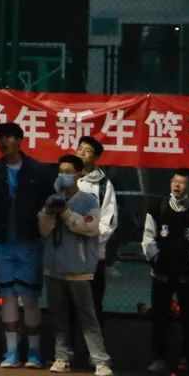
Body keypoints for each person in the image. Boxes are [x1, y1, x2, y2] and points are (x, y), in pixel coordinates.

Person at [0, 121, 55, 368]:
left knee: (30, 299)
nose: (3, 142)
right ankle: (11, 352)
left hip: (30, 243)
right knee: (8, 298)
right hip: (2, 243)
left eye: (8, 137)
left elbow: (48, 205)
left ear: (19, 140)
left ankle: (34, 352)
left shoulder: (38, 171)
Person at [39, 155, 113, 376]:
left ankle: (101, 361)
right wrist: (49, 212)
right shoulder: (52, 199)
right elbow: (43, 230)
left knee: (88, 317)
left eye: (68, 171)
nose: (64, 175)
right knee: (59, 316)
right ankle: (62, 357)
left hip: (79, 270)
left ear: (79, 174)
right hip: (53, 267)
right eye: (61, 171)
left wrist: (66, 212)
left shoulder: (89, 201)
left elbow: (90, 228)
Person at [141, 168, 189, 375]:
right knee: (159, 318)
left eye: (182, 182)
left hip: (187, 276)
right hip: (161, 274)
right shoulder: (158, 206)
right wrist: (156, 260)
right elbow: (148, 238)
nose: (176, 185)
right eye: (174, 181)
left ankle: (187, 359)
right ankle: (159, 358)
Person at [75, 136, 118, 324]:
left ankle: (93, 340)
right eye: (80, 148)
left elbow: (110, 219)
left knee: (92, 303)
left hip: (92, 253)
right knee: (68, 303)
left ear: (96, 157)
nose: (82, 153)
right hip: (66, 252)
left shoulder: (103, 184)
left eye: (88, 151)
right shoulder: (66, 178)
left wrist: (90, 239)